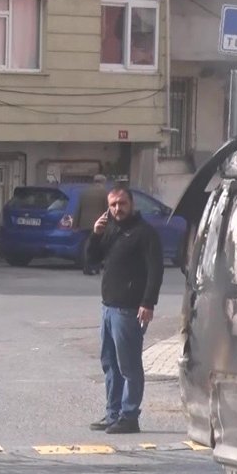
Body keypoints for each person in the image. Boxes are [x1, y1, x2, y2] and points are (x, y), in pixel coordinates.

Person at [87, 185, 163, 434]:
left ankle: (129, 416)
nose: (118, 209)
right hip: (108, 308)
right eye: (113, 205)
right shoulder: (111, 230)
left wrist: (148, 302)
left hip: (129, 310)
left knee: (129, 366)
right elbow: (91, 261)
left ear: (132, 205)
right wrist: (95, 235)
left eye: (122, 204)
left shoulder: (144, 233)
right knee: (110, 363)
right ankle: (113, 414)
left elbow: (155, 270)